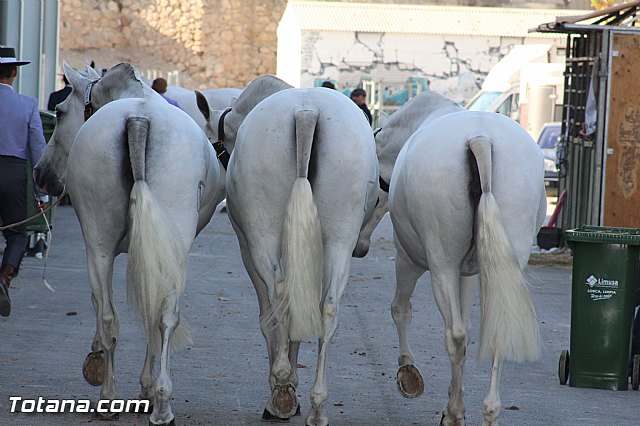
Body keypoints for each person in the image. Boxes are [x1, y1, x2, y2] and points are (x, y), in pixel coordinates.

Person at [0, 46, 49, 317]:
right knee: (16, 234)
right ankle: (4, 278)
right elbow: (38, 151)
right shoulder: (28, 105)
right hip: (13, 172)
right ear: (14, 73)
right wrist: (41, 193)